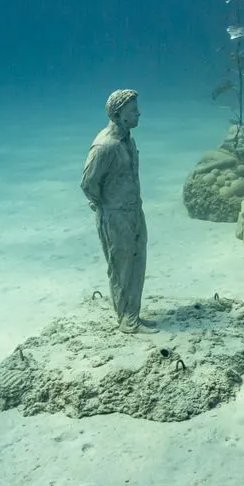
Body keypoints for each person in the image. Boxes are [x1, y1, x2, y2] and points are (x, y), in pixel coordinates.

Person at [80, 89, 152, 332]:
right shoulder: (105, 147)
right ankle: (127, 321)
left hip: (134, 212)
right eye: (133, 111)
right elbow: (88, 183)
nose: (139, 113)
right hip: (115, 215)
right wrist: (105, 206)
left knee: (137, 263)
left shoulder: (128, 139)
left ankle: (134, 314)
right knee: (121, 267)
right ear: (120, 115)